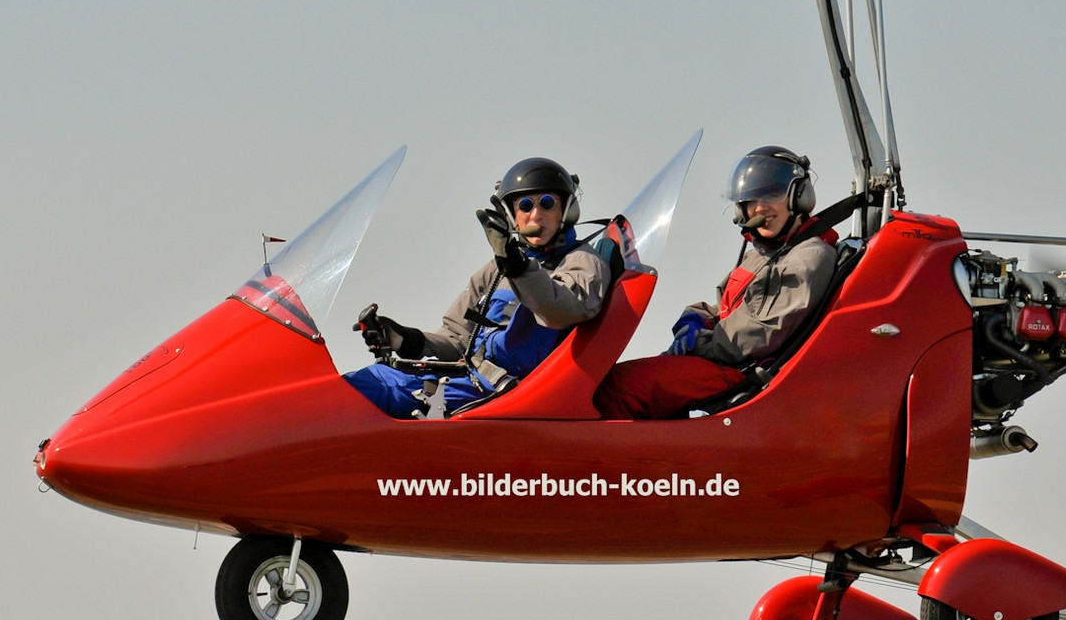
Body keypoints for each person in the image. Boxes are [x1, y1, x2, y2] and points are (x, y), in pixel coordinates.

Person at [344, 157, 611, 418]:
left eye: (548, 203)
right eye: (526, 205)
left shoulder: (583, 262)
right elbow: (457, 339)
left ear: (566, 210)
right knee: (351, 386)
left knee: (365, 392)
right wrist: (405, 340)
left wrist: (516, 266)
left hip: (505, 390)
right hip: (466, 378)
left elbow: (560, 309)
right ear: (511, 216)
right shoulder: (495, 270)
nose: (536, 215)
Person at [593, 146, 838, 421]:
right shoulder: (764, 254)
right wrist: (695, 318)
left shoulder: (808, 257)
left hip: (743, 371)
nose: (760, 207)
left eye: (771, 194)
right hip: (724, 359)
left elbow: (758, 333)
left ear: (799, 197)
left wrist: (697, 343)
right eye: (751, 199)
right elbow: (724, 308)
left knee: (620, 390)